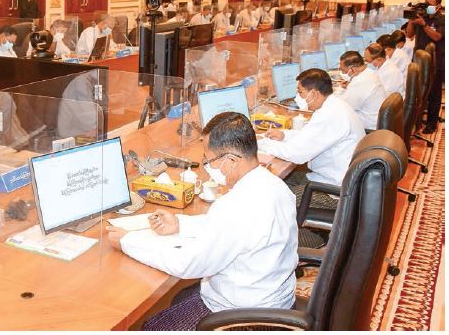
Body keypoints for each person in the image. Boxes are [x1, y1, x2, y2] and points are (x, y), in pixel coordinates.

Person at [107, 112, 297, 331]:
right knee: (180, 297)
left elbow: (186, 264)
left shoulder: (237, 205)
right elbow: (229, 228)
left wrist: (127, 242)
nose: (208, 167)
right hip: (275, 303)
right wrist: (180, 224)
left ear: (232, 160)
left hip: (246, 320)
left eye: (210, 160)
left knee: (150, 327)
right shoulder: (273, 185)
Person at [259, 69, 365, 188]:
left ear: (314, 94)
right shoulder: (334, 105)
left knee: (273, 190)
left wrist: (261, 143)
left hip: (331, 188)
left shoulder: (329, 115)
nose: (297, 97)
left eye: (300, 92)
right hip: (336, 178)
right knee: (276, 183)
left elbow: (295, 154)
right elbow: (310, 135)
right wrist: (284, 136)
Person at [405, 0, 444, 134]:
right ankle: (417, 120)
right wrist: (411, 20)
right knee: (418, 92)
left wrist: (424, 25)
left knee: (433, 94)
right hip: (418, 59)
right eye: (426, 4)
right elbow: (409, 35)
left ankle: (431, 124)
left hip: (436, 62)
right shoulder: (422, 17)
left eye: (430, 5)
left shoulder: (442, 20)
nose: (428, 7)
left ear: (438, 6)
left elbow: (437, 37)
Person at [337, 50, 388, 130]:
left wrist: (339, 90)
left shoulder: (360, 82)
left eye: (343, 70)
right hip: (375, 119)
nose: (342, 73)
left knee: (335, 119)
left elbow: (344, 107)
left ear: (352, 70)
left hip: (370, 127)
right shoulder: (369, 72)